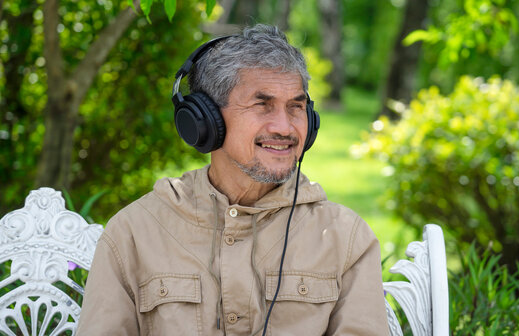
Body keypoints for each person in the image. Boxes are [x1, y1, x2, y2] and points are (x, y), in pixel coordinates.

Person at [77, 24, 389, 335]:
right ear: (205, 120)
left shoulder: (346, 238)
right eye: (262, 105)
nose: (285, 127)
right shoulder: (134, 233)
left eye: (296, 106)